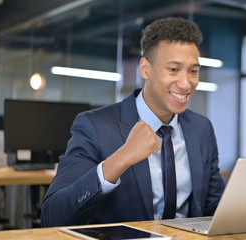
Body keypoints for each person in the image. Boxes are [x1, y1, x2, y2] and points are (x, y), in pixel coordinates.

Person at [41, 17, 225, 227]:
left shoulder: (202, 129)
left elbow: (215, 207)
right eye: (173, 69)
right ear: (145, 69)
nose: (186, 84)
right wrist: (122, 157)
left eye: (193, 71)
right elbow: (52, 216)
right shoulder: (94, 127)